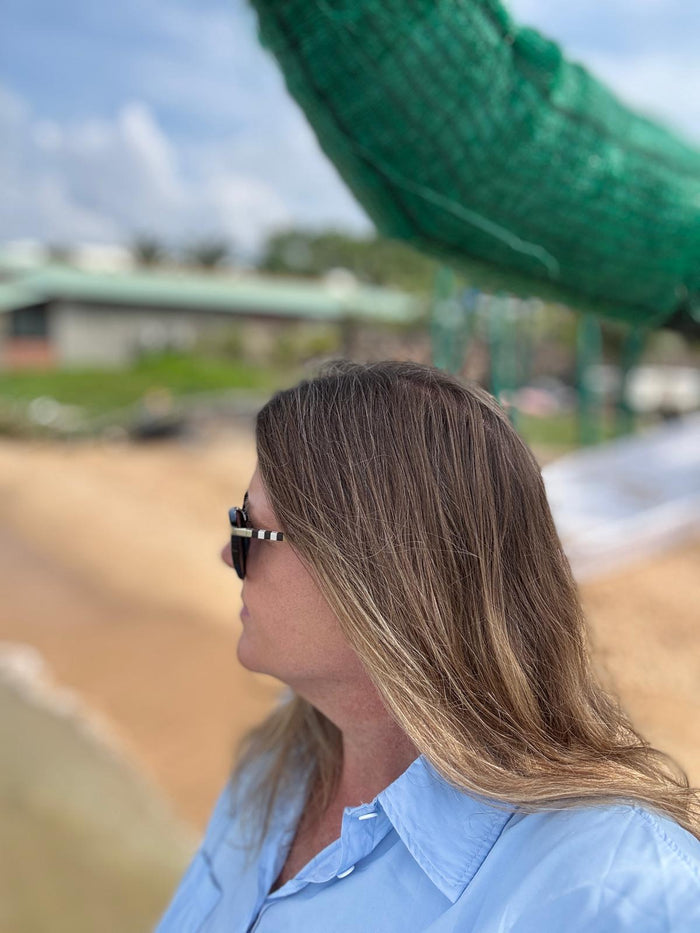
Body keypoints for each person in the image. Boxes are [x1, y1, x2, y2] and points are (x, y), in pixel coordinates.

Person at [155, 360, 700, 932]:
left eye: (248, 530)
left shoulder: (622, 893)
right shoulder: (276, 768)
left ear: (375, 573)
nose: (226, 556)